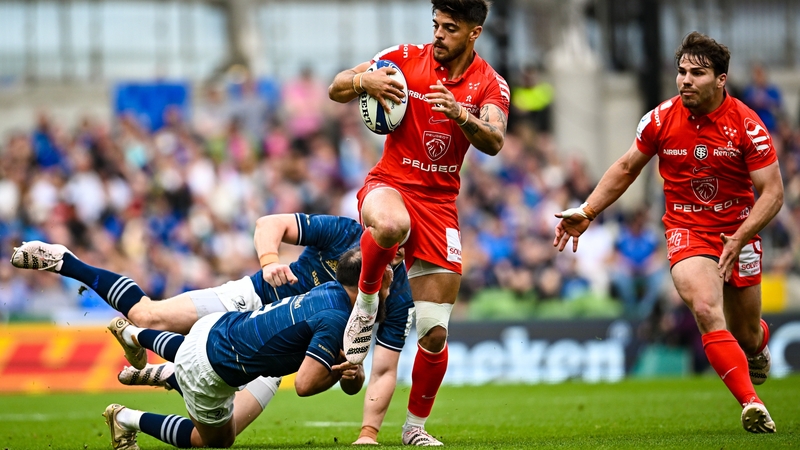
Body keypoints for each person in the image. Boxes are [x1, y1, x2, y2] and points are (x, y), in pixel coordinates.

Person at [10, 213, 415, 445]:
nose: (393, 253)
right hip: (251, 299)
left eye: (401, 248)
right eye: (389, 240)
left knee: (224, 430)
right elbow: (269, 223)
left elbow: (379, 369)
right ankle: (66, 263)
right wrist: (270, 258)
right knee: (148, 314)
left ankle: (153, 360)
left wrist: (368, 432)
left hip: (278, 355)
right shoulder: (345, 234)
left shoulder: (395, 297)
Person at [553, 31, 782, 434]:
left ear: (721, 79)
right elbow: (626, 168)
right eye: (681, 72)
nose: (685, 80)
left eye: (697, 73)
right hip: (687, 230)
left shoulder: (748, 124)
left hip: (739, 231)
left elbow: (773, 193)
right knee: (707, 310)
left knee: (746, 334)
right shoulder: (660, 119)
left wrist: (741, 236)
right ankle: (752, 403)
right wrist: (588, 210)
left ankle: (758, 345)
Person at [328, 0, 509, 445]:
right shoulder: (405, 58)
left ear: (474, 33)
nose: (439, 34)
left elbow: (496, 139)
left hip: (440, 205)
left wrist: (461, 114)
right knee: (390, 227)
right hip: (390, 183)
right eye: (436, 25)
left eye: (450, 28)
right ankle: (368, 301)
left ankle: (414, 429)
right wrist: (361, 80)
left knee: (433, 332)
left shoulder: (490, 84)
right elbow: (336, 88)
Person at [99, 247, 389, 449]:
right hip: (210, 368)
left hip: (215, 327)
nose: (391, 291)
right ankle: (125, 418)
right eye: (387, 283)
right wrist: (340, 373)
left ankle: (135, 335)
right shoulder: (336, 319)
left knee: (191, 350)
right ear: (369, 284)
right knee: (216, 441)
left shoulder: (330, 290)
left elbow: (346, 373)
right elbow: (305, 383)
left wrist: (351, 374)